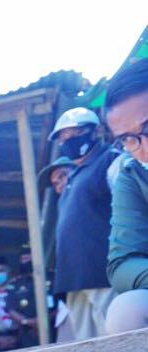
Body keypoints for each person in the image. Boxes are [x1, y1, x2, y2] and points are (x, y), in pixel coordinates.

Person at [50, 107, 119, 341]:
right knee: (87, 351)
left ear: (96, 131)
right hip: (73, 278)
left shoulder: (111, 160)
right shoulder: (74, 178)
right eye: (63, 137)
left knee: (118, 341)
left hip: (104, 272)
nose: (68, 141)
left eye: (76, 132)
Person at [105, 58, 148, 333]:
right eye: (128, 139)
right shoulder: (133, 177)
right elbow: (122, 263)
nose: (144, 147)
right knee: (126, 310)